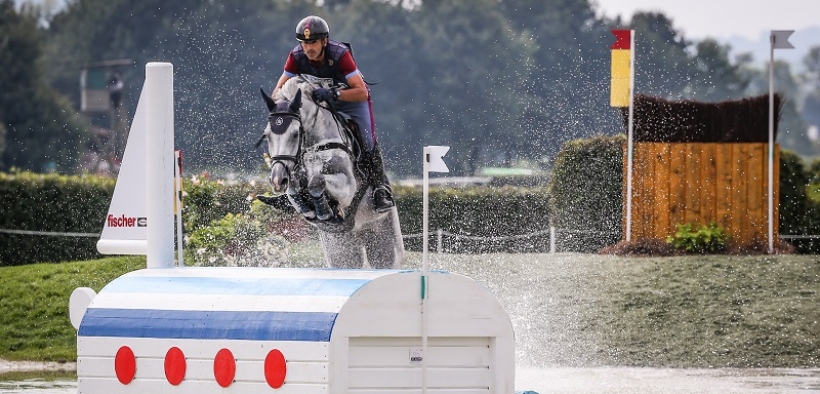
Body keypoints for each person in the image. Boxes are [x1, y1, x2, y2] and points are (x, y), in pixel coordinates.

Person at [272, 15, 395, 212]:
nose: (309, 48)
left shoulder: (340, 55)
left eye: (313, 42)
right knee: (297, 131)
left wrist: (333, 93)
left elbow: (361, 92)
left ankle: (380, 189)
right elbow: (278, 92)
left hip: (351, 100)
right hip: (321, 101)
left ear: (324, 41)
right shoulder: (296, 56)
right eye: (304, 43)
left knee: (367, 139)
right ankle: (294, 187)